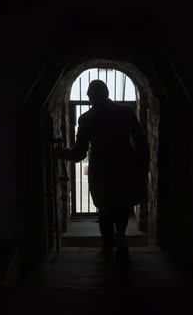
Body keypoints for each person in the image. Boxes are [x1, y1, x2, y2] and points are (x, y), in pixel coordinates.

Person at [56, 79, 150, 259]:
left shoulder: (86, 119)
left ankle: (107, 247)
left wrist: (61, 152)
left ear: (90, 97)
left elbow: (78, 153)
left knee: (105, 208)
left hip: (101, 171)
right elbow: (141, 144)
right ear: (107, 93)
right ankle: (121, 238)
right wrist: (142, 168)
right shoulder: (126, 112)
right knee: (122, 205)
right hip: (125, 167)